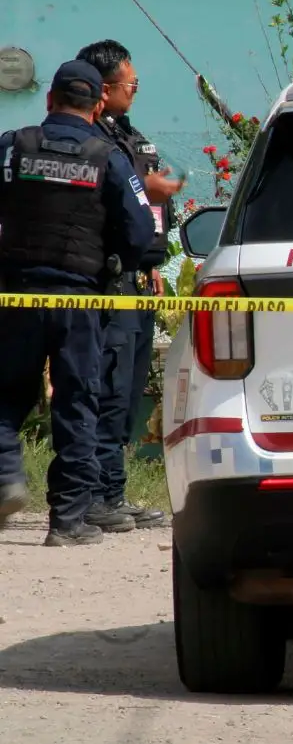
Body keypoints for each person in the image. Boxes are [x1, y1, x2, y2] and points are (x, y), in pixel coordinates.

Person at [0, 59, 156, 545]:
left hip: (16, 295)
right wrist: (113, 260)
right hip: (77, 299)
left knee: (5, 395)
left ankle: (6, 475)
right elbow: (140, 230)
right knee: (77, 403)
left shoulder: (12, 145)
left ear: (49, 101)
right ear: (96, 107)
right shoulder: (108, 157)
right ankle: (67, 523)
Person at [77, 39, 181, 531]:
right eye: (130, 84)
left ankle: (113, 493)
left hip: (140, 281)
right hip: (109, 283)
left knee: (131, 385)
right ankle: (100, 495)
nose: (135, 91)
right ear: (103, 87)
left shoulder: (128, 138)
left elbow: (151, 208)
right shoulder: (91, 144)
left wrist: (154, 262)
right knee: (111, 387)